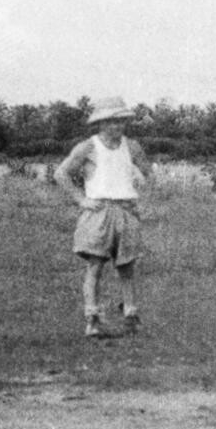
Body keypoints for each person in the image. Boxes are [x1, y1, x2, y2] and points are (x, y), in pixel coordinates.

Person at [58, 98, 151, 339]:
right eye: (110, 122)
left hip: (126, 211)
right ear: (100, 124)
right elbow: (62, 174)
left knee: (127, 267)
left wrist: (138, 193)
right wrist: (82, 200)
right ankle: (93, 319)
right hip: (99, 213)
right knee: (95, 267)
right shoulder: (88, 147)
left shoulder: (132, 146)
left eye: (120, 121)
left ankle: (130, 316)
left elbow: (147, 173)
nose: (116, 127)